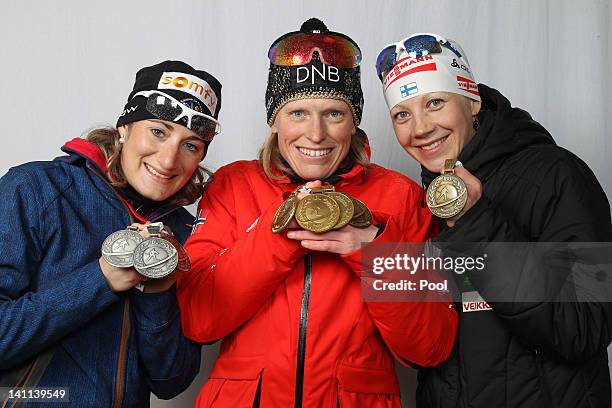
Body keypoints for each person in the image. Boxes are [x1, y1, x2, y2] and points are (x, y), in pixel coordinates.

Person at [177, 18, 458, 408]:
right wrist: (279, 235)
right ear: (273, 121)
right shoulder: (233, 185)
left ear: (353, 121)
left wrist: (374, 254)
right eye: (297, 114)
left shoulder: (400, 196)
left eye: (334, 114)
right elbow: (198, 319)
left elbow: (429, 348)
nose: (315, 134)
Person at [376, 33, 612, 407]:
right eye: (402, 114)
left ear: (473, 102)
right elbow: (423, 347)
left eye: (435, 102)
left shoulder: (558, 174)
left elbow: (586, 328)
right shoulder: (418, 203)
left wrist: (474, 223)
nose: (419, 128)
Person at [0, 60, 222, 407]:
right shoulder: (35, 190)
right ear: (124, 128)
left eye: (190, 145)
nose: (167, 160)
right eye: (158, 132)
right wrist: (102, 279)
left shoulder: (188, 235)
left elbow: (171, 381)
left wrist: (158, 293)